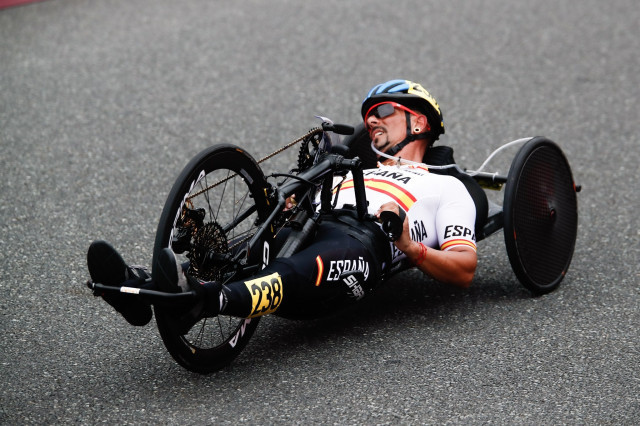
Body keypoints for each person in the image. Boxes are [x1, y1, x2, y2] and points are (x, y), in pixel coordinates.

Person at [87, 79, 477, 327]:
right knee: (245, 249)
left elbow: (464, 269)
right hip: (313, 222)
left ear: (421, 123)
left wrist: (410, 247)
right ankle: (138, 289)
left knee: (297, 266)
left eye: (385, 111)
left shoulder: (448, 187)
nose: (373, 121)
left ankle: (210, 300)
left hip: (363, 245)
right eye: (368, 116)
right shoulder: (352, 169)